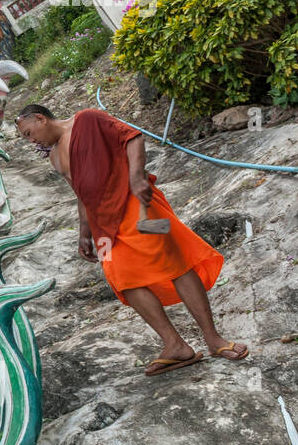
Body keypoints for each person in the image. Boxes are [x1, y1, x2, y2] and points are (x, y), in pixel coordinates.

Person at [14, 103, 249, 376]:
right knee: (123, 282)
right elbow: (82, 194)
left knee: (176, 263)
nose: (32, 142)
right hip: (103, 225)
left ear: (41, 118)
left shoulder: (88, 119)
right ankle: (175, 346)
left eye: (30, 133)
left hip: (137, 207)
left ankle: (213, 339)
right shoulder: (55, 158)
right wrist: (83, 233)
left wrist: (137, 177)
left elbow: (132, 137)